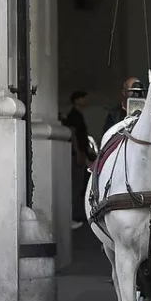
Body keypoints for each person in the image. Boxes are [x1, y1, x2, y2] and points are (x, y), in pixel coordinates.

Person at [61, 90, 96, 229]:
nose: (85, 101)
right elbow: (74, 134)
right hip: (77, 154)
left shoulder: (77, 115)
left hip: (80, 153)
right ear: (77, 100)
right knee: (75, 186)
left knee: (78, 184)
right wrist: (78, 152)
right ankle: (72, 217)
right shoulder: (74, 116)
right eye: (83, 98)